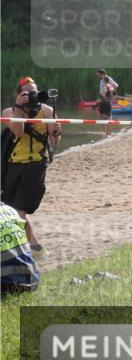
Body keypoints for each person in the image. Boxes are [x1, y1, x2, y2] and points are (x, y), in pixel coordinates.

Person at [1, 77, 61, 255]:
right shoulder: (9, 112)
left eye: (33, 91)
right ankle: (32, 246)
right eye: (26, 92)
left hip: (36, 165)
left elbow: (55, 143)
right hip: (13, 166)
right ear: (18, 94)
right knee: (10, 210)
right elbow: (18, 132)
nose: (31, 95)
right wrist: (19, 108)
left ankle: (31, 248)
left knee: (19, 211)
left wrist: (56, 132)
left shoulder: (48, 112)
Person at [0, 201, 40, 297]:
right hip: (32, 279)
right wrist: (38, 251)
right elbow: (26, 222)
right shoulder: (9, 209)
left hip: (8, 285)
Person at [96, 69, 118, 136]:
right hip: (103, 99)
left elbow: (116, 86)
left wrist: (112, 95)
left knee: (108, 116)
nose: (97, 76)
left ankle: (109, 133)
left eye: (98, 75)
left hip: (106, 99)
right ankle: (106, 133)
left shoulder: (107, 79)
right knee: (102, 115)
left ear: (102, 74)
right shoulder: (102, 80)